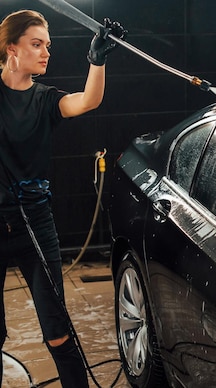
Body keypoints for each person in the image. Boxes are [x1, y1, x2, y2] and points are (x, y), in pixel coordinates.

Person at [0, 10, 125, 387]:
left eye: (48, 46)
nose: (45, 53)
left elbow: (87, 101)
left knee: (57, 330)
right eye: (36, 44)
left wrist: (97, 60)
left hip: (36, 224)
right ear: (11, 49)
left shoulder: (45, 100)